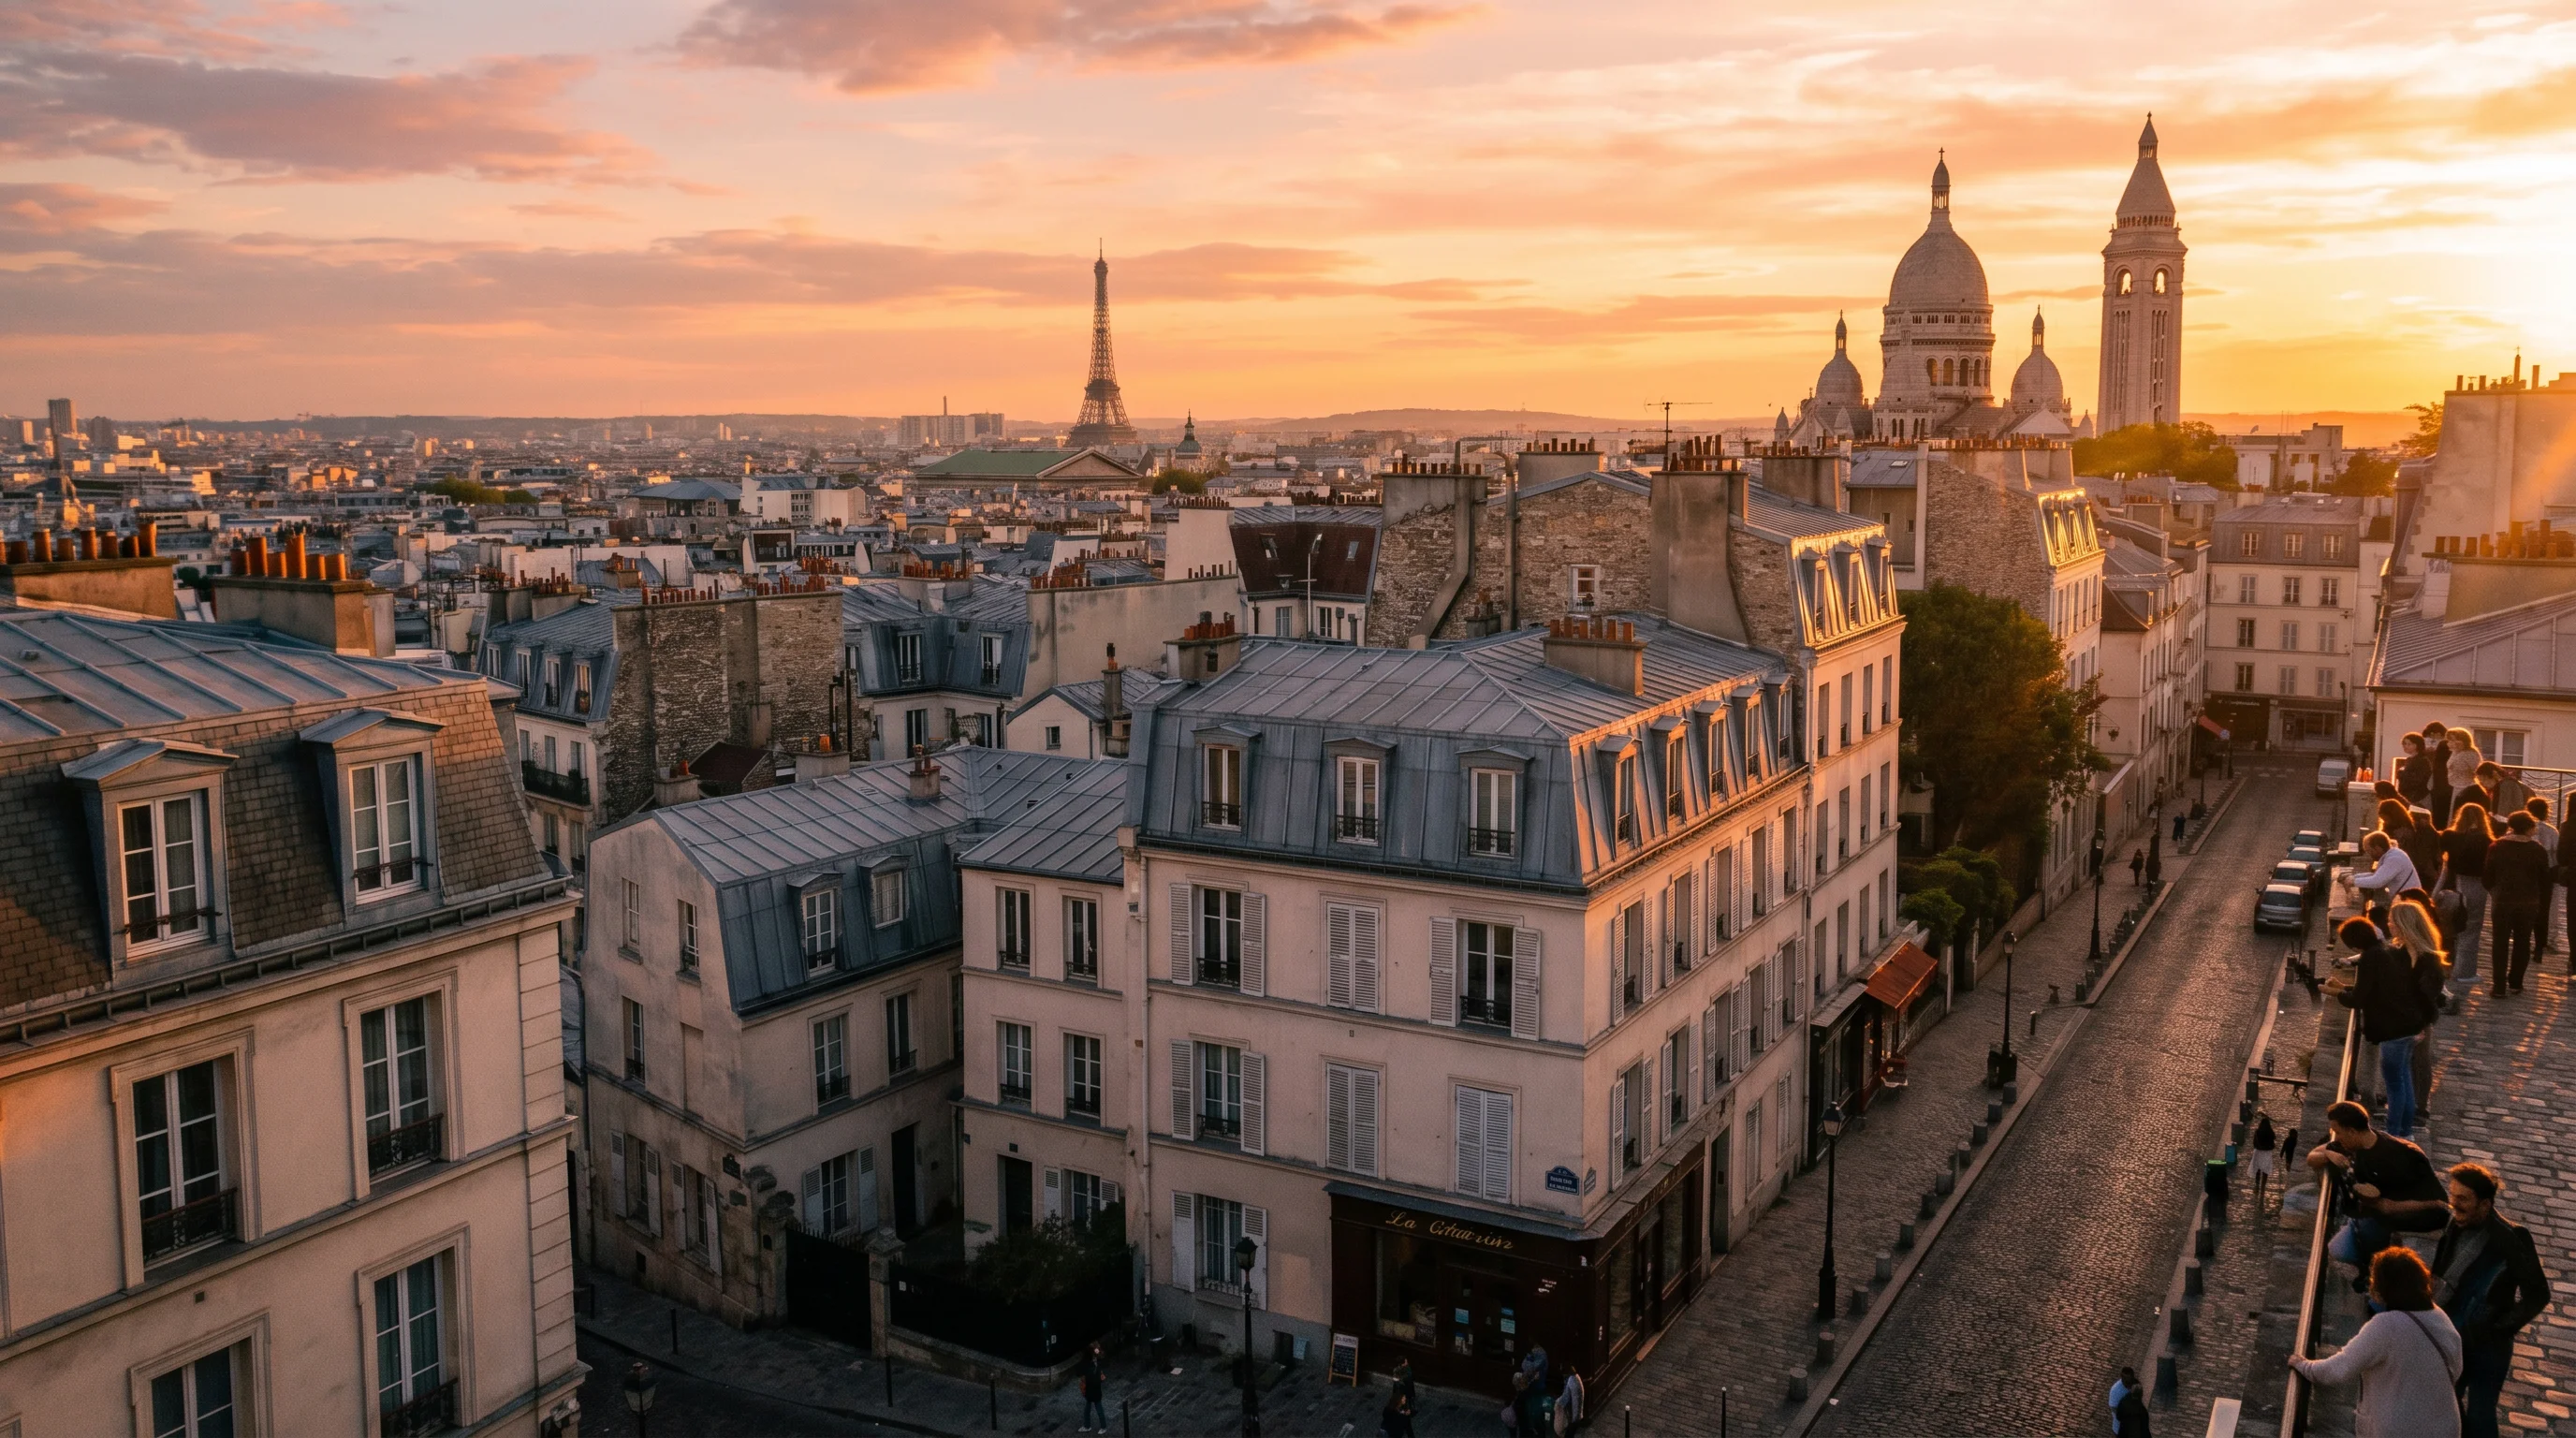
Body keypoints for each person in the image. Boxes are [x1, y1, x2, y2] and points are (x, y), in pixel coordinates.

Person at [2288, 1247, 2463, 1438]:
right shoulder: (2440, 1317)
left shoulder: (2386, 1326)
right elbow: (2456, 1368)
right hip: (2446, 1427)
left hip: (2399, 1430)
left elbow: (2339, 1369)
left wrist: (2303, 1365)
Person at [2433, 1162, 2554, 1438]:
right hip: (2454, 1336)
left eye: (2462, 1199)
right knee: (2446, 1404)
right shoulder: (2455, 1225)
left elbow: (2538, 1296)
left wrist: (2498, 1328)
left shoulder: (2513, 1238)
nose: (2454, 1204)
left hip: (2489, 1347)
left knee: (2481, 1414)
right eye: (2452, 1196)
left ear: (2485, 1204)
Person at [2306, 1099, 2448, 1284]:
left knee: (2376, 1257)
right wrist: (2328, 1154)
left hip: (2409, 1217)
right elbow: (2311, 1158)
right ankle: (2368, 1268)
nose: (2336, 1138)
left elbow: (2439, 1203)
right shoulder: (2352, 1144)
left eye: (2338, 1132)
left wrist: (2392, 1207)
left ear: (2352, 1131)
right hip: (2373, 1214)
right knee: (2339, 1249)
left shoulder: (2401, 1155)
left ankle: (2375, 1278)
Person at [2337, 917, 2432, 1138]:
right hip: (2409, 1025)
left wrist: (2337, 993)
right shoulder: (2385, 950)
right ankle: (2406, 1132)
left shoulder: (2370, 957)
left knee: (2395, 1086)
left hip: (2392, 1029)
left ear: (2354, 943)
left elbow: (2359, 999)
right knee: (2404, 1082)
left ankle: (2394, 1133)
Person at [2389, 900, 2449, 1105]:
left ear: (2404, 924)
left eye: (2392, 921)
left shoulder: (2428, 960)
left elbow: (2428, 996)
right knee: (2406, 1064)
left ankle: (2420, 1108)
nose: (2389, 924)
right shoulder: (2401, 952)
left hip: (2418, 1021)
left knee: (2418, 1063)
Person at [2485, 810, 2551, 994]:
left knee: (2500, 942)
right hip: (2528, 902)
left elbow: (2487, 876)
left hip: (2503, 900)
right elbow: (2545, 880)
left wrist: (2494, 891)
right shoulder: (2537, 849)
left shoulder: (2497, 846)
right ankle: (2515, 981)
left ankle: (2498, 985)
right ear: (2529, 828)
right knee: (2522, 942)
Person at [2437, 802, 2496, 991]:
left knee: (2450, 927)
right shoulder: (2485, 840)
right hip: (2476, 886)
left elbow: (2444, 865)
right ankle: (2464, 972)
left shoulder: (2449, 836)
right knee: (2471, 929)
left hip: (2451, 886)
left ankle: (2446, 965)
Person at [2349, 831, 2419, 925]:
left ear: (2377, 848)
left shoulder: (2394, 858)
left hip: (2408, 903)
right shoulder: (2393, 854)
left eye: (2370, 851)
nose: (2370, 855)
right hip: (2405, 900)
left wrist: (2353, 881)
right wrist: (2354, 877)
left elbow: (2377, 881)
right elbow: (2377, 875)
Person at [2525, 798, 2559, 952]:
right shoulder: (2552, 831)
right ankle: (2545, 941)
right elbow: (2557, 854)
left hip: (2525, 872)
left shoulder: (2521, 828)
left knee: (2525, 905)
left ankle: (2524, 937)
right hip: (2547, 873)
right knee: (2546, 908)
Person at [2396, 731, 2434, 811]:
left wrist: (2401, 773)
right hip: (2410, 796)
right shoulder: (2410, 759)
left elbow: (2418, 780)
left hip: (2418, 797)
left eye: (2409, 744)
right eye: (2404, 744)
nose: (2405, 746)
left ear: (2417, 745)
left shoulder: (2422, 760)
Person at [1381, 1357, 1417, 1438]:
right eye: (1405, 1361)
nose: (1407, 1362)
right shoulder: (1392, 1410)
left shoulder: (1390, 1409)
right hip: (1391, 1433)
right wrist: (1403, 1414)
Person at [2111, 1366, 2152, 1436]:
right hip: (2121, 1429)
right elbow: (2114, 1408)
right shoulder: (2115, 1390)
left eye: (2131, 1381)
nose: (2129, 1384)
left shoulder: (2134, 1386)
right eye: (2127, 1382)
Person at [2250, 1111, 2279, 1209]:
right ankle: (2263, 1187)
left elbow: (2254, 1143)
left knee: (2258, 1169)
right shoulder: (2271, 1132)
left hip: (2258, 1152)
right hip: (2267, 1153)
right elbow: (2273, 1142)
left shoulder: (2258, 1132)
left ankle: (2257, 1184)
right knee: (2265, 1170)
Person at [1078, 1343, 1108, 1433]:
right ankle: (1089, 1426)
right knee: (1089, 1409)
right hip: (1092, 1388)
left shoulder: (1092, 1364)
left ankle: (1101, 1426)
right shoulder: (1094, 1363)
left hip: (1093, 1388)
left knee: (1097, 1408)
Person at [1553, 1368, 1584, 1436]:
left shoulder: (1571, 1380)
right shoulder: (1576, 1378)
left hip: (1573, 1417)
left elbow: (1565, 1399)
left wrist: (1556, 1402)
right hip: (1576, 1415)